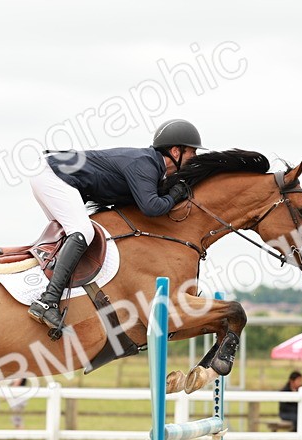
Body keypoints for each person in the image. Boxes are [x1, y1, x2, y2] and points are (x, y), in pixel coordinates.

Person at [26, 119, 203, 335]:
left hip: (52, 175)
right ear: (176, 151)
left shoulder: (150, 167)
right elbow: (152, 207)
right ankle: (48, 301)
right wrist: (176, 194)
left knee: (73, 236)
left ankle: (44, 291)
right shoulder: (145, 164)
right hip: (51, 174)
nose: (195, 158)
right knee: (82, 232)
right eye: (192, 153)